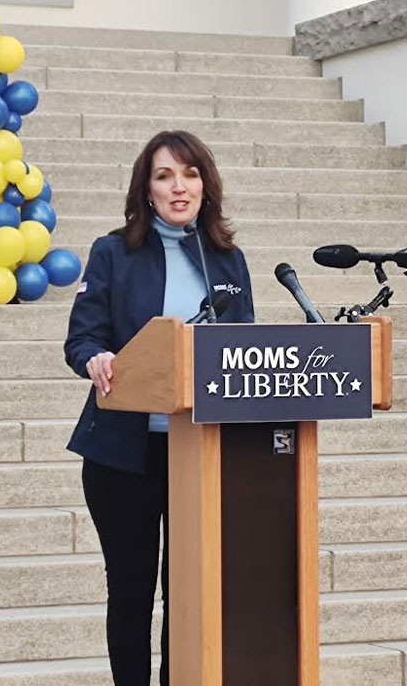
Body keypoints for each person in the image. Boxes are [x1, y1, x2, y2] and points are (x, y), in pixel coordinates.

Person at [63, 130, 255, 685]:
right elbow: (82, 339)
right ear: (146, 189)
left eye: (190, 175)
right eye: (165, 175)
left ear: (205, 187)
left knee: (189, 590)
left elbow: (241, 349)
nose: (179, 187)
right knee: (132, 590)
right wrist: (97, 357)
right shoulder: (112, 252)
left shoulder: (227, 260)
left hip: (200, 450)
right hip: (124, 454)